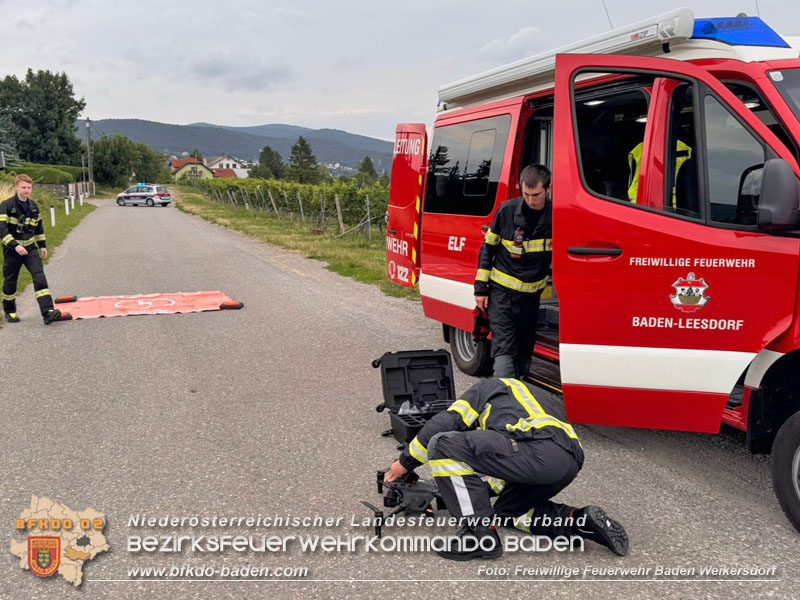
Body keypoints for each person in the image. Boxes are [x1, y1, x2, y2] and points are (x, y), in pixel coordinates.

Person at [385, 377, 628, 561]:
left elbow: (445, 423)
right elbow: (508, 466)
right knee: (506, 512)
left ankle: (479, 536)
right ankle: (580, 521)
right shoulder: (528, 398)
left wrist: (404, 463)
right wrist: (479, 489)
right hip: (568, 464)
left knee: (442, 445)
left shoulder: (483, 390)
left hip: (536, 453)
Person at [474, 164, 552, 378]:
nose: (530, 200)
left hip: (531, 297)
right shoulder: (507, 211)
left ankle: (521, 393)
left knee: (525, 348)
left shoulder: (556, 216)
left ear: (548, 189)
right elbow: (487, 248)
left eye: (535, 195)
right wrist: (480, 289)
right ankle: (503, 399)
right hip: (502, 295)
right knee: (504, 348)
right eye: (526, 194)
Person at [0, 174, 64, 324]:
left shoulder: (34, 207)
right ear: (16, 187)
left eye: (29, 188)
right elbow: (2, 230)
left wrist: (42, 246)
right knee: (10, 281)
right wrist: (15, 246)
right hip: (12, 250)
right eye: (23, 187)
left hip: (30, 248)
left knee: (39, 277)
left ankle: (47, 312)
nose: (26, 190)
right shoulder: (6, 206)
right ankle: (10, 312)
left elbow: (39, 228)